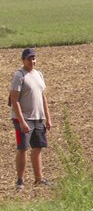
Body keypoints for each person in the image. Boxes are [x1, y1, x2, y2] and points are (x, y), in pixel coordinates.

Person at [9, 48, 52, 189]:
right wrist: (21, 121)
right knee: (23, 148)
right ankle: (20, 180)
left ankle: (39, 179)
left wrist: (47, 117)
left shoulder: (39, 74)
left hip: (38, 118)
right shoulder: (19, 76)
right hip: (24, 118)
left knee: (38, 147)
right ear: (23, 60)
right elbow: (14, 100)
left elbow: (42, 96)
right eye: (29, 59)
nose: (32, 61)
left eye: (34, 58)